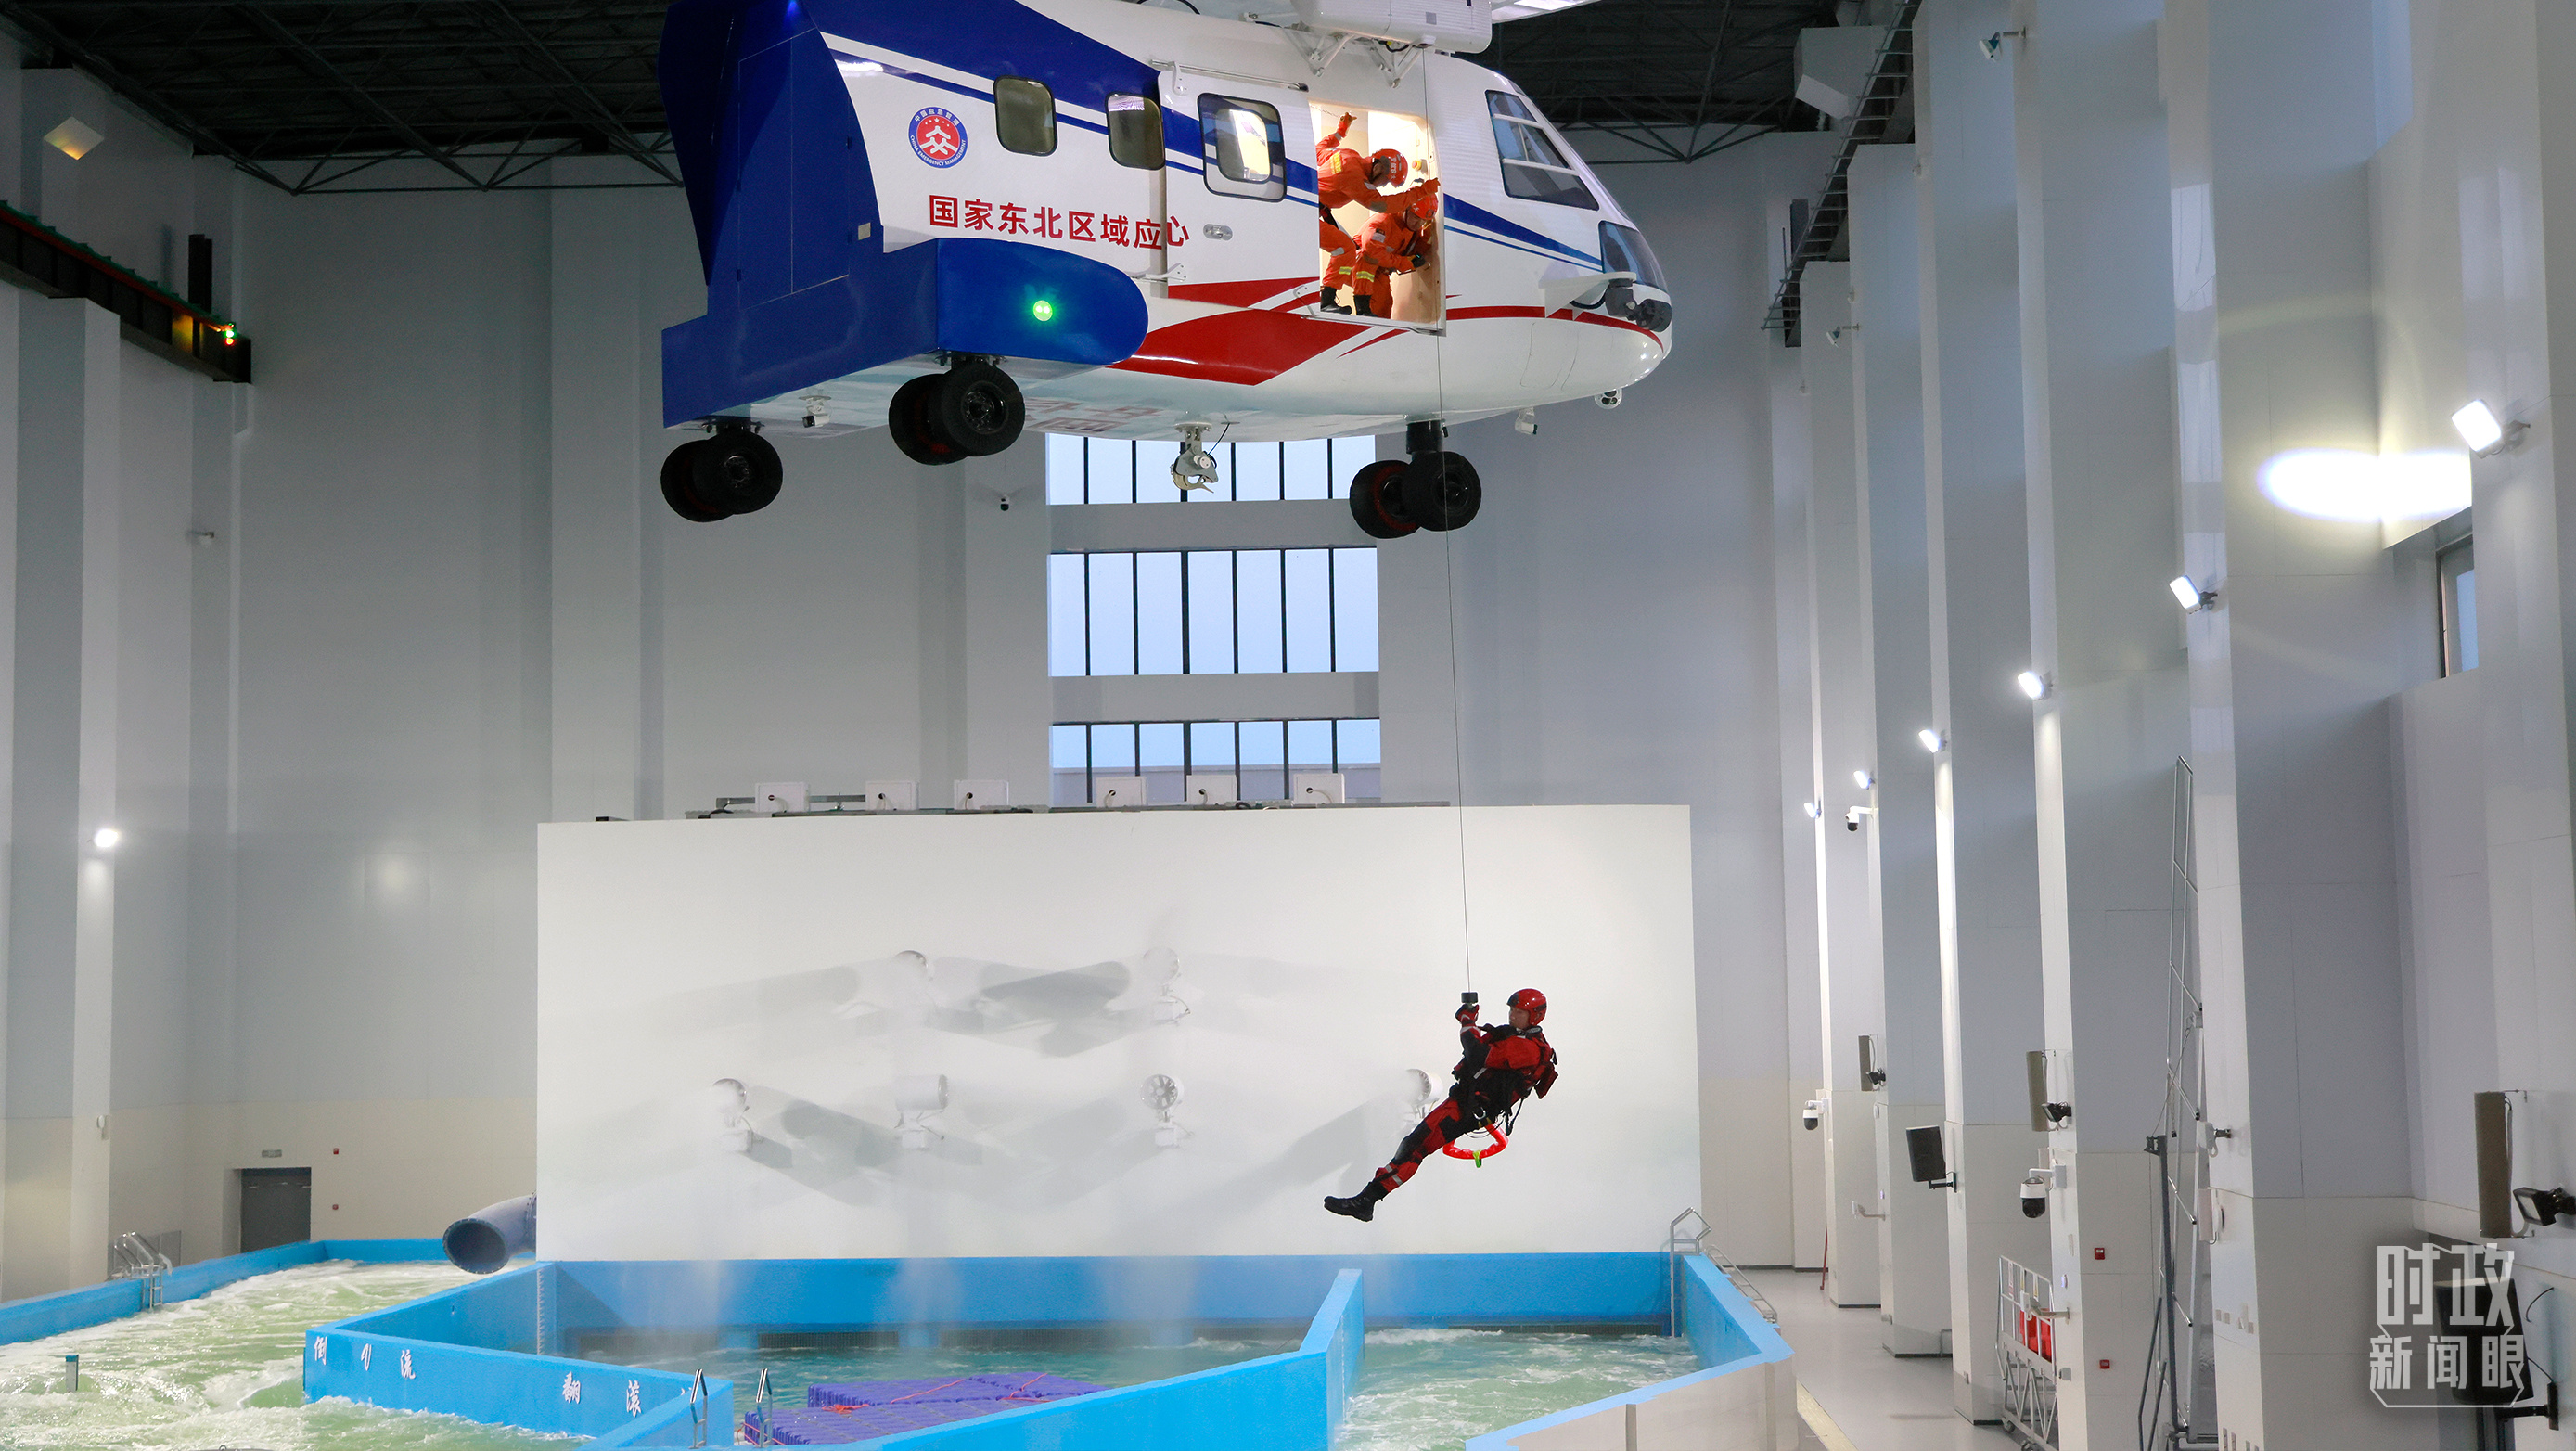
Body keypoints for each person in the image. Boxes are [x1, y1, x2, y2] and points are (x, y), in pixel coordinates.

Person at [1325, 988, 1558, 1222]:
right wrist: (1470, 1024)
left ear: (1535, 1016)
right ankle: (1366, 1200)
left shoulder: (1527, 1048)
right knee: (1414, 1145)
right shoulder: (1516, 1037)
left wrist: (1467, 1022)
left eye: (1519, 1012)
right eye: (1512, 1010)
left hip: (1468, 1109)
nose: (1512, 1015)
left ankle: (1366, 1201)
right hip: (1465, 1103)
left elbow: (1477, 1054)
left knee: (1415, 1148)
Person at [1315, 116, 1436, 316]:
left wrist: (1341, 132)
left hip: (1310, 207)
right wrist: (1420, 192)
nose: (1382, 185)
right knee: (1345, 249)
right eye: (1385, 181)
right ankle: (1327, 302)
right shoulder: (1355, 177)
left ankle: (1329, 301)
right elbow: (1382, 205)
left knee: (1347, 250)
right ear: (1378, 167)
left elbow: (1320, 149)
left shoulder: (1348, 155)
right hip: (1306, 209)